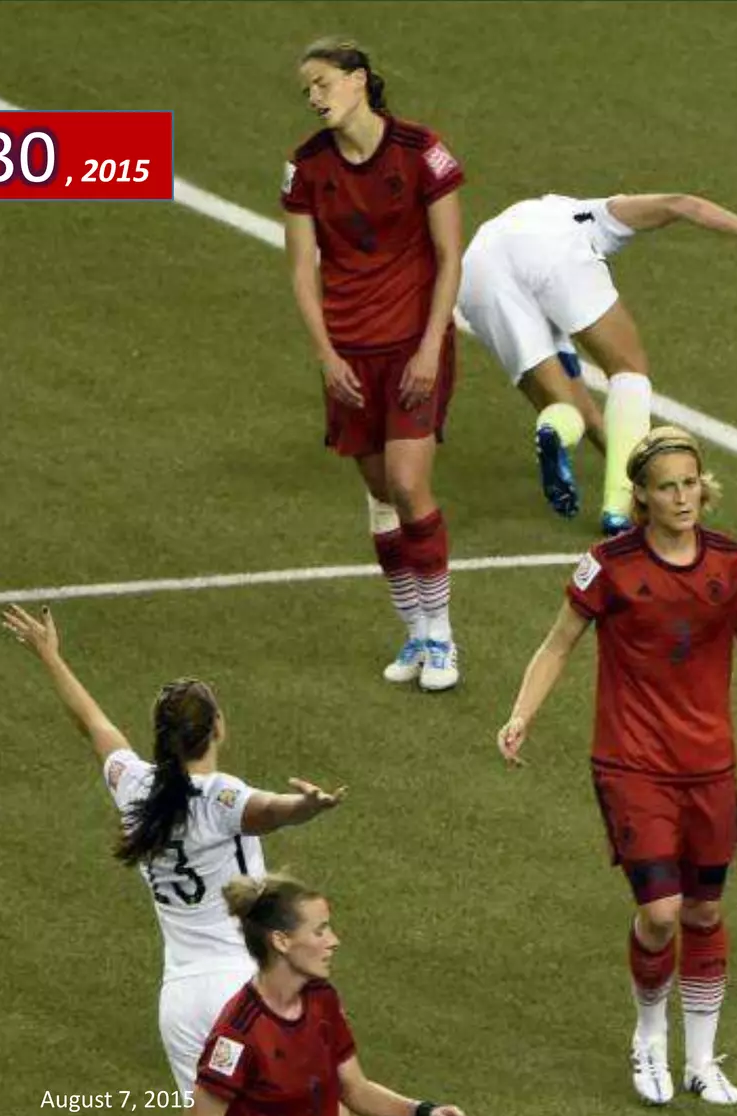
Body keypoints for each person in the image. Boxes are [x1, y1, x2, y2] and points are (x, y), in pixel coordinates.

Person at [496, 426, 737, 1106]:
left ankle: (701, 1058)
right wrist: (522, 712)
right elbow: (557, 646)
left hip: (711, 767)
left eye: (690, 484)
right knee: (662, 913)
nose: (681, 498)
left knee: (704, 910)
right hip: (631, 764)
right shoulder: (609, 565)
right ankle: (648, 1038)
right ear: (640, 495)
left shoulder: (732, 564)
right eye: (666, 487)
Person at [2, 605, 346, 1101]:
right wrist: (309, 806)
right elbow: (270, 810)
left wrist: (49, 656)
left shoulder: (135, 786)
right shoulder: (217, 796)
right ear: (218, 728)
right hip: (245, 989)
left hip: (181, 1002)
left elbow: (93, 724)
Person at [457, 192, 737, 531]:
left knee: (566, 411)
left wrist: (645, 474)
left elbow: (599, 423)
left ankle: (559, 434)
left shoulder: (528, 221)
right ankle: (619, 509)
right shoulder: (598, 216)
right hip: (551, 251)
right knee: (629, 370)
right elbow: (682, 204)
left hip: (477, 273)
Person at [283, 37, 467, 691]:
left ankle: (443, 637)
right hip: (350, 357)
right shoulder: (306, 168)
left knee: (410, 486)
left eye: (323, 82)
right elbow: (302, 271)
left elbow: (450, 257)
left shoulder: (421, 153)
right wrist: (326, 355)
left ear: (359, 80)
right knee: (381, 494)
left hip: (413, 348)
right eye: (307, 89)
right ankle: (414, 632)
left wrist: (429, 345)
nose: (314, 97)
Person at [174, 874, 470, 1116]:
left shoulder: (321, 999)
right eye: (320, 931)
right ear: (281, 941)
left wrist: (424, 1112)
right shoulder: (237, 1036)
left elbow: (355, 1089)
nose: (333, 940)